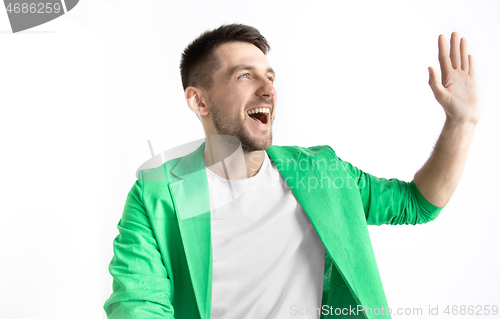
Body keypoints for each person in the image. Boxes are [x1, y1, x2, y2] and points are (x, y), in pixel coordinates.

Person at [103, 24, 480, 319]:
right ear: (198, 99)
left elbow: (418, 204)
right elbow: (137, 304)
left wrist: (461, 123)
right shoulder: (157, 196)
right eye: (244, 76)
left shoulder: (321, 172)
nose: (268, 88)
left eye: (269, 76)